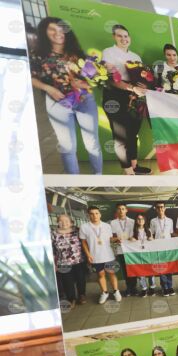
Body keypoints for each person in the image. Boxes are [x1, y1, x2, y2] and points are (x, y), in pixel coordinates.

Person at [30, 17, 102, 174]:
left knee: (92, 143)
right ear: (44, 32)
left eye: (61, 29)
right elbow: (32, 78)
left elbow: (93, 79)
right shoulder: (38, 55)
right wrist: (49, 89)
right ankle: (73, 183)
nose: (58, 33)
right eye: (52, 29)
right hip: (57, 102)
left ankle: (99, 178)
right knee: (68, 147)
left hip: (84, 100)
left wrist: (86, 83)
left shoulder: (77, 53)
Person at [102, 24, 150, 175]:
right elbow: (112, 79)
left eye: (126, 36)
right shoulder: (108, 52)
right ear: (114, 37)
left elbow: (141, 77)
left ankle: (134, 166)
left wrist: (143, 85)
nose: (124, 39)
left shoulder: (136, 57)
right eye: (119, 36)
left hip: (134, 96)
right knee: (120, 136)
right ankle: (128, 171)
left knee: (133, 133)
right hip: (114, 96)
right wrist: (132, 88)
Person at [79, 206, 121, 304]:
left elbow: (110, 239)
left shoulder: (107, 226)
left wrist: (116, 239)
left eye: (96, 213)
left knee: (112, 273)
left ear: (100, 214)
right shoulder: (84, 227)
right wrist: (88, 255)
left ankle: (116, 291)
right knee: (101, 274)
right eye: (92, 214)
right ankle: (105, 293)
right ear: (88, 215)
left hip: (109, 255)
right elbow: (83, 242)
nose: (95, 216)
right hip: (95, 256)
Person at [51, 213, 87, 308]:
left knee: (81, 279)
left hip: (79, 260)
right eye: (61, 221)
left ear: (71, 222)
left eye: (66, 221)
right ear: (57, 222)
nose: (64, 223)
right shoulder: (53, 234)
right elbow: (52, 250)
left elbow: (85, 243)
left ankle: (82, 295)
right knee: (67, 282)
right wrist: (54, 264)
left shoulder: (77, 231)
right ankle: (71, 299)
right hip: (63, 262)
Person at [110, 203, 136, 296]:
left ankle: (134, 288)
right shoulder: (113, 223)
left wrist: (133, 238)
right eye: (119, 209)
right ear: (117, 210)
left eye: (123, 209)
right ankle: (128, 288)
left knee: (132, 268)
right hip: (121, 249)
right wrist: (116, 239)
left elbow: (136, 234)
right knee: (125, 270)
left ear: (126, 210)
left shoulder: (133, 221)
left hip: (131, 249)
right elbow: (112, 237)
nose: (121, 211)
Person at [150, 202, 175, 296]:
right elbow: (151, 235)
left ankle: (170, 286)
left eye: (162, 207)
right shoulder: (153, 221)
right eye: (158, 207)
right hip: (158, 247)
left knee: (170, 268)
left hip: (168, 247)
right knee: (162, 267)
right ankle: (164, 287)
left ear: (164, 208)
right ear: (156, 209)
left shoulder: (170, 220)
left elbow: (171, 233)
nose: (160, 209)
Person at [131, 214, 157, 297]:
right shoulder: (133, 231)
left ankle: (152, 288)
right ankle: (144, 288)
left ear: (145, 220)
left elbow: (153, 241)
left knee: (150, 271)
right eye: (138, 219)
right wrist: (131, 239)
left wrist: (151, 239)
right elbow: (130, 240)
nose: (140, 220)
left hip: (148, 254)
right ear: (136, 221)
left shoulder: (148, 230)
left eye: (142, 219)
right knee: (140, 272)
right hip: (138, 255)